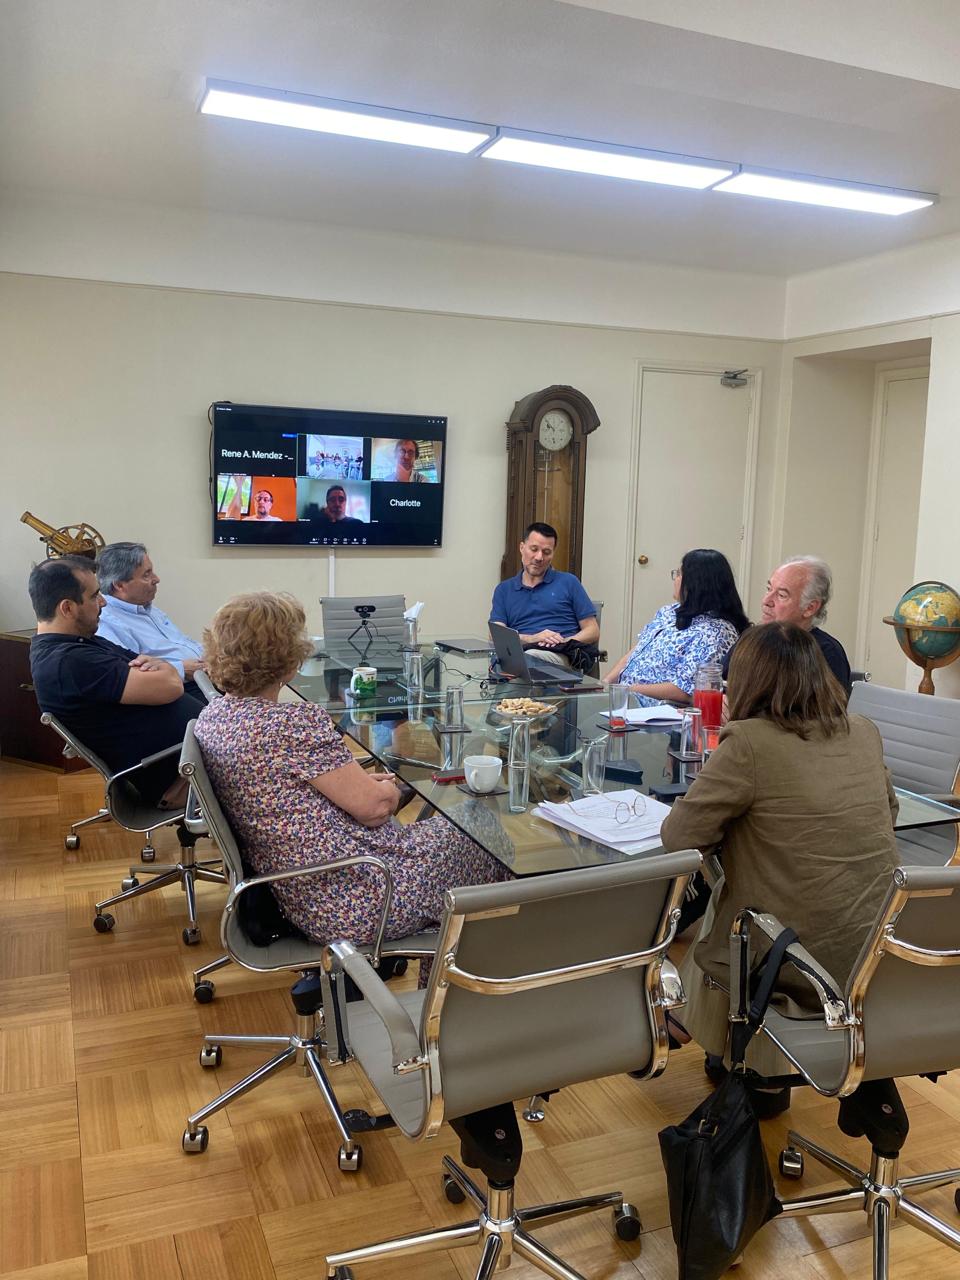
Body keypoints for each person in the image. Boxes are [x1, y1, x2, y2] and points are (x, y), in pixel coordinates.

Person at [660, 622, 899, 1104]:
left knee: (724, 906)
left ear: (747, 683)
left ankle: (733, 1049)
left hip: (793, 965)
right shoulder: (864, 733)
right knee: (760, 882)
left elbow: (679, 840)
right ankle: (751, 1058)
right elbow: (889, 813)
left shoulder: (749, 743)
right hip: (877, 956)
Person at [194, 592, 508, 957]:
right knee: (478, 823)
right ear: (288, 659)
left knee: (461, 828)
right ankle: (469, 985)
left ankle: (444, 970)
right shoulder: (293, 724)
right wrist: (388, 790)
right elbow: (375, 809)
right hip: (357, 894)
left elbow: (295, 794)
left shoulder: (214, 717)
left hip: (299, 894)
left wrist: (361, 789)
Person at [28, 556, 199, 804]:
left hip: (193, 755)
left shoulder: (83, 641)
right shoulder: (71, 662)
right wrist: (165, 670)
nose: (103, 602)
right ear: (67, 608)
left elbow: (157, 668)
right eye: (94, 595)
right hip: (183, 775)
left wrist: (162, 667)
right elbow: (171, 685)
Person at [604, 549, 748, 706]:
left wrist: (627, 689)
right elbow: (639, 648)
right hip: (623, 696)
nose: (675, 579)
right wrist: (607, 683)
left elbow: (683, 691)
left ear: (696, 583)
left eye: (679, 574)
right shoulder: (669, 611)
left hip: (654, 707)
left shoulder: (716, 632)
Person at [722, 556, 851, 693]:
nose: (766, 601)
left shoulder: (826, 653)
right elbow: (719, 682)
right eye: (768, 589)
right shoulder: (751, 639)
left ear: (810, 608)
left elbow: (825, 711)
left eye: (781, 595)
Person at [95, 542, 206, 688]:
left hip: (204, 675)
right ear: (119, 585)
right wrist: (181, 669)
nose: (156, 579)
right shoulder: (107, 622)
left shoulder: (147, 607)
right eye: (147, 574)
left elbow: (180, 643)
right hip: (178, 688)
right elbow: (128, 674)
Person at [489, 522, 599, 667]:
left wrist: (563, 642)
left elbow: (592, 631)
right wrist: (532, 638)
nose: (539, 557)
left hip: (559, 655)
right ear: (522, 548)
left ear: (553, 554)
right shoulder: (504, 590)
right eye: (534, 549)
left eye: (546, 552)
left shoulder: (569, 582)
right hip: (519, 653)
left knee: (531, 659)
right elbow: (495, 636)